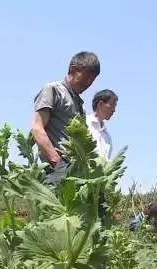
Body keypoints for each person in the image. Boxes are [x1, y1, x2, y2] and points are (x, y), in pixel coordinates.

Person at [31, 51, 101, 186]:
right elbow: (37, 128)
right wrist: (56, 161)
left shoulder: (79, 104)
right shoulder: (53, 90)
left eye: (92, 80)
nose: (88, 84)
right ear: (73, 70)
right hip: (57, 169)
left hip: (76, 170)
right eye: (86, 77)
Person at [86, 89, 118, 161]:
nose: (114, 110)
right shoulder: (85, 123)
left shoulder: (107, 137)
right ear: (100, 104)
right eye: (112, 105)